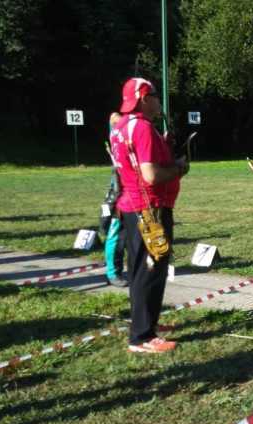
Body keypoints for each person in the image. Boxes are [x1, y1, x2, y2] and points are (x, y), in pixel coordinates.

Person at [110, 77, 189, 354]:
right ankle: (142, 336)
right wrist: (179, 168)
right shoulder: (142, 127)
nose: (159, 101)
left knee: (139, 269)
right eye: (155, 96)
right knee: (151, 269)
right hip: (150, 208)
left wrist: (163, 146)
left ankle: (145, 324)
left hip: (134, 207)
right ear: (144, 98)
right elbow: (151, 175)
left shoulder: (121, 126)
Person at [103, 111, 127, 287]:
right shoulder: (118, 131)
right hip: (121, 190)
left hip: (135, 190)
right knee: (116, 233)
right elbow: (113, 117)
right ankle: (113, 273)